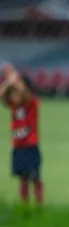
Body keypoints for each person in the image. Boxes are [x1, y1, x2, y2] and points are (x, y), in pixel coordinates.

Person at [1, 63, 43, 206]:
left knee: (35, 178)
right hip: (18, 147)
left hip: (30, 146)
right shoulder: (13, 105)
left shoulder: (32, 104)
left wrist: (15, 78)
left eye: (17, 92)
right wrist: (9, 81)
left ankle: (39, 205)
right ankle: (24, 206)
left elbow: (25, 93)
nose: (15, 96)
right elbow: (2, 95)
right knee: (22, 179)